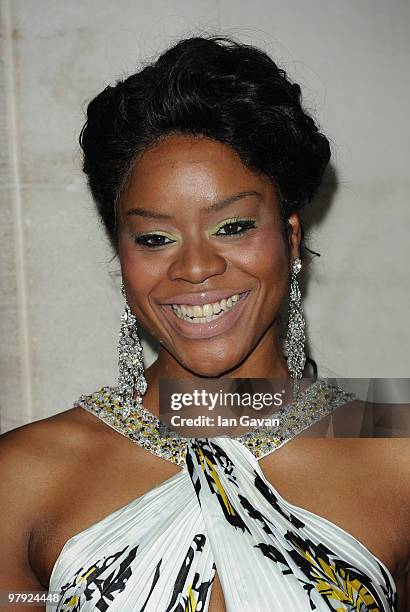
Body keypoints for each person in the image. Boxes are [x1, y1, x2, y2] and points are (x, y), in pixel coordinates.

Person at [0, 35, 408, 611]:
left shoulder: (397, 445)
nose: (195, 267)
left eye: (233, 226)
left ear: (291, 237)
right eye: (154, 238)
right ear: (123, 259)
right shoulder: (20, 476)